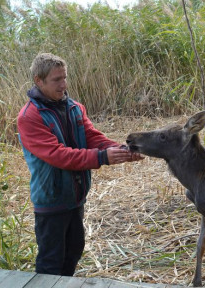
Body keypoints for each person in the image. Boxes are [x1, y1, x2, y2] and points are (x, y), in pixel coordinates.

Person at [17, 53, 143, 276]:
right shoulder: (29, 117)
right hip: (51, 200)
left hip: (75, 196)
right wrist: (102, 157)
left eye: (65, 78)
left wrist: (124, 150)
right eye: (56, 80)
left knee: (74, 251)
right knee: (51, 262)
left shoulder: (74, 107)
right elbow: (58, 155)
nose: (63, 85)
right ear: (39, 80)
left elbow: (92, 136)